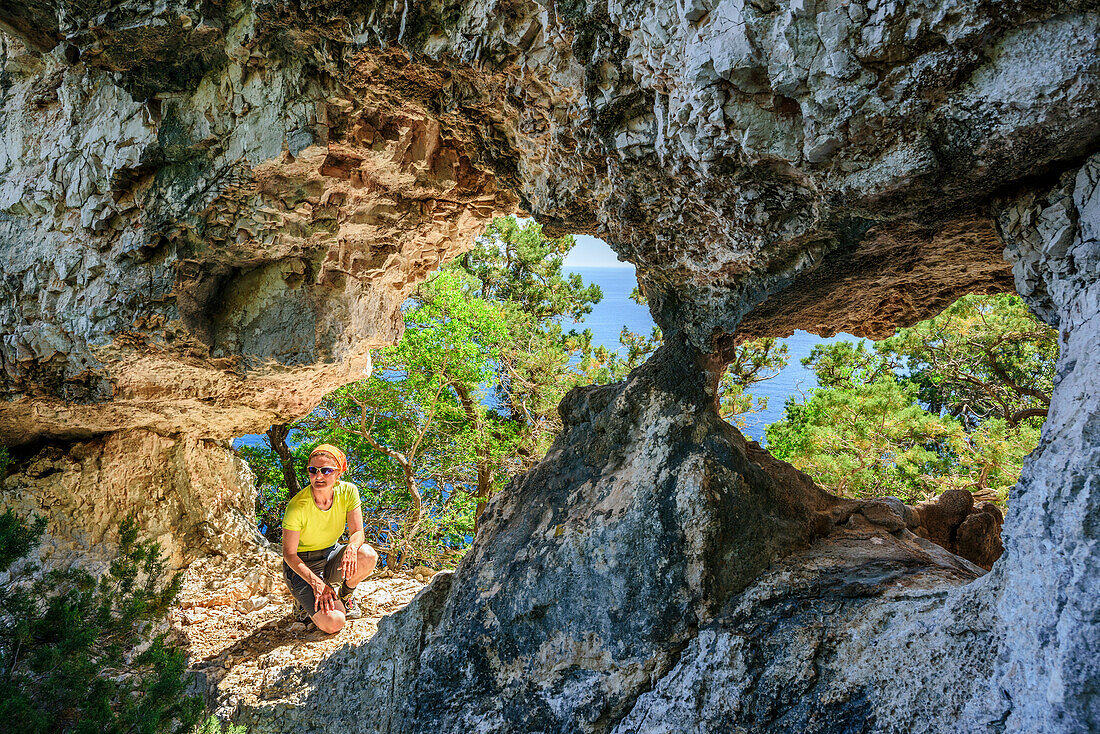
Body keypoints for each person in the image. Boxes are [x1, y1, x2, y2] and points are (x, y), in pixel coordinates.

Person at [282, 444, 379, 634]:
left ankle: (345, 595)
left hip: (330, 555)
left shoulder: (349, 492)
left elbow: (358, 531)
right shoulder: (297, 507)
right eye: (313, 470)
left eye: (326, 470)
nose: (318, 476)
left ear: (338, 473)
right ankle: (304, 603)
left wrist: (351, 548)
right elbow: (289, 554)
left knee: (367, 554)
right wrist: (317, 584)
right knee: (334, 622)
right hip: (302, 566)